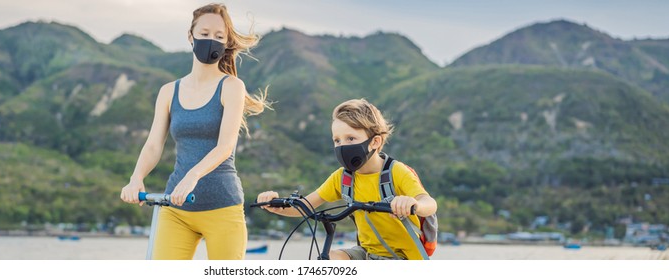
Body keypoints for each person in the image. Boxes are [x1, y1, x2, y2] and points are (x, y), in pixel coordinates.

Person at [120, 3, 269, 260]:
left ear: (226, 42)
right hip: (175, 209)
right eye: (204, 33)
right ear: (191, 36)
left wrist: (192, 177)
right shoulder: (169, 91)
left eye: (219, 36)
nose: (211, 40)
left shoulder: (231, 86)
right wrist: (136, 178)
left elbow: (225, 147)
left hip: (222, 206)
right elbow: (154, 144)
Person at [257, 98, 437, 260]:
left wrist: (412, 203)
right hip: (366, 254)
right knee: (329, 259)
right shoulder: (343, 178)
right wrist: (274, 205)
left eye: (351, 138)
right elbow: (305, 207)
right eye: (337, 140)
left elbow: (429, 203)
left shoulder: (395, 172)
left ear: (375, 142)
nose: (342, 146)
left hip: (405, 258)